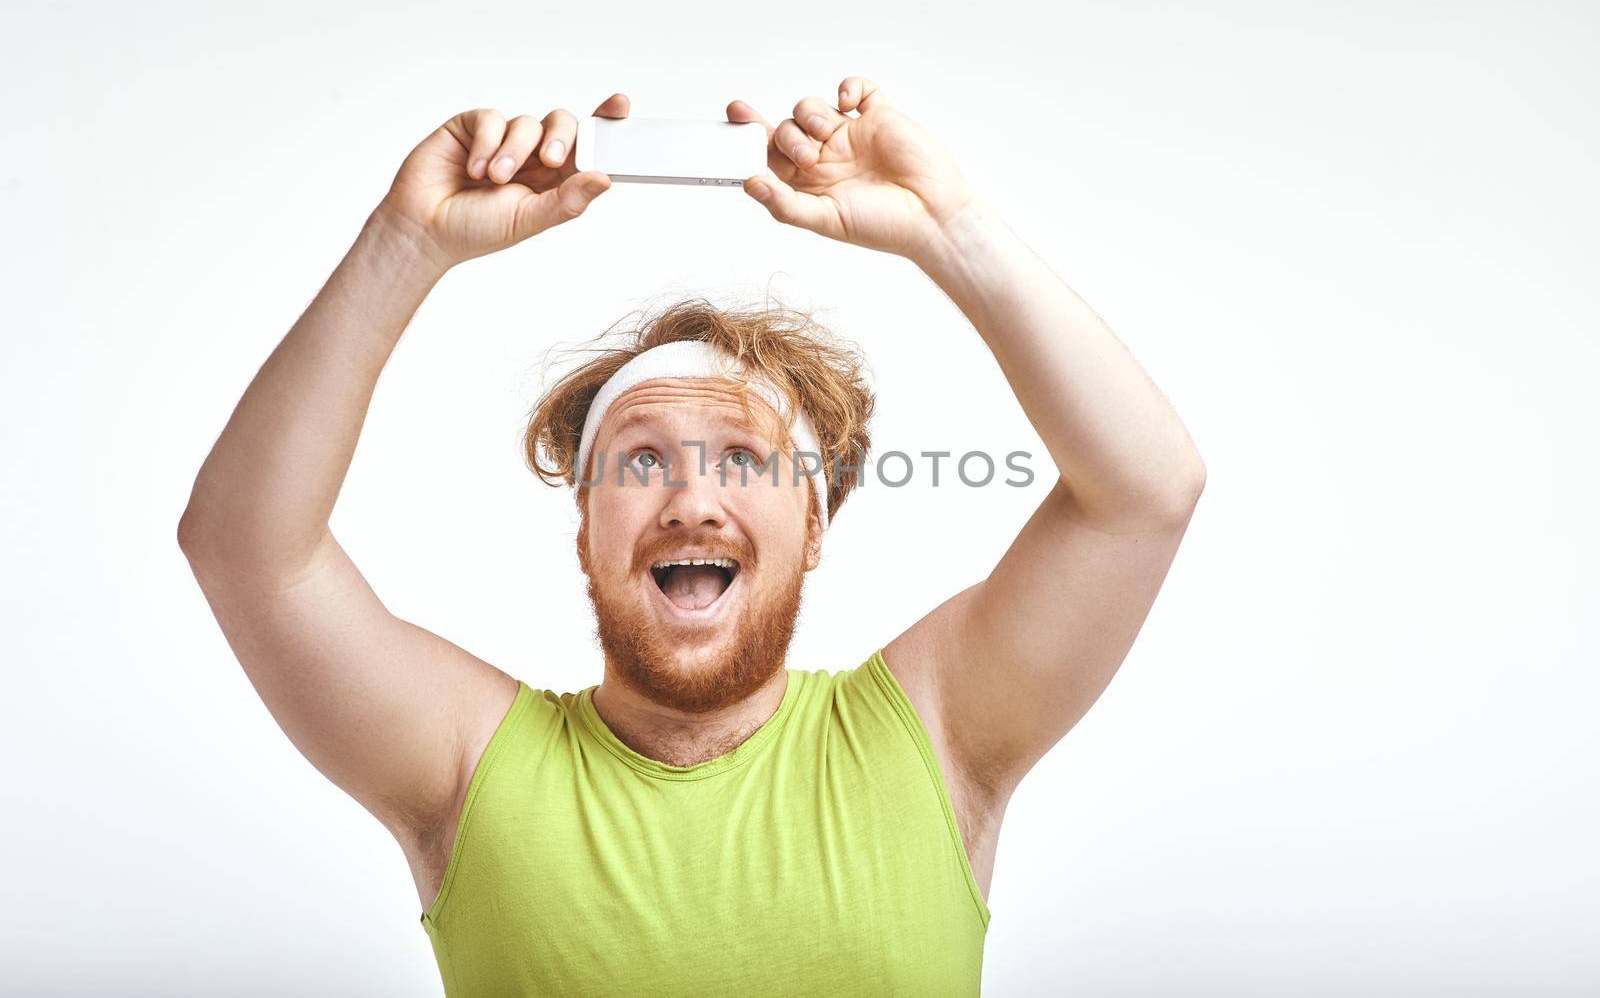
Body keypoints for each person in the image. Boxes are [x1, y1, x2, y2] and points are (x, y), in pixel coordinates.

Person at [178, 77, 1206, 996]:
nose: (690, 501)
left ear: (812, 528)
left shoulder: (938, 732)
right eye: (638, 460)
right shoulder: (466, 763)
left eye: (746, 461)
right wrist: (407, 244)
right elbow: (244, 548)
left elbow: (1146, 490)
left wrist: (951, 231)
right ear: (585, 530)